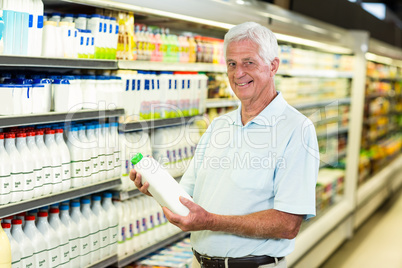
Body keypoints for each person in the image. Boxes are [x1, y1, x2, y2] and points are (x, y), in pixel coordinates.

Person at [131, 21, 319, 268]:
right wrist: (156, 187)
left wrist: (211, 221)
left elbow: (287, 224)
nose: (238, 73)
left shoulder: (296, 129)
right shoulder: (219, 125)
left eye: (248, 62)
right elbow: (187, 198)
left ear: (273, 66)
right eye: (231, 64)